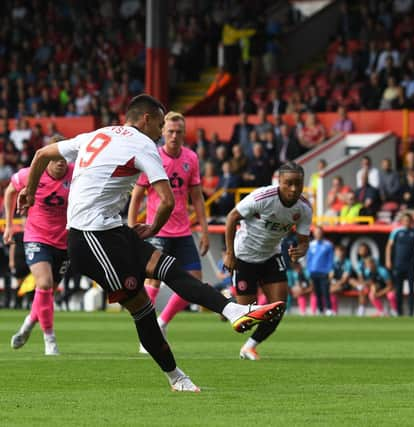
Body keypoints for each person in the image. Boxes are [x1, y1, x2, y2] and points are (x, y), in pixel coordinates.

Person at [19, 94, 284, 392]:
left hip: (112, 231)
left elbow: (42, 153)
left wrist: (29, 192)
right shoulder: (144, 145)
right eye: (160, 124)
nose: (160, 132)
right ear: (146, 120)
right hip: (89, 238)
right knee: (142, 308)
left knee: (170, 270)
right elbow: (167, 201)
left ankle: (233, 311)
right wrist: (154, 227)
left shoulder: (99, 133)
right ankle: (176, 377)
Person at [127, 111, 210, 353]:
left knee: (195, 280)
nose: (174, 136)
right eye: (170, 131)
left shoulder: (191, 158)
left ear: (184, 134)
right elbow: (137, 196)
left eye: (179, 132)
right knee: (153, 280)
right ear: (162, 132)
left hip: (183, 231)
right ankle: (148, 335)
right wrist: (132, 228)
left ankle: (161, 323)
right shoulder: (152, 156)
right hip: (158, 229)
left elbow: (197, 197)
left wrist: (204, 231)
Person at [223, 161, 312, 361]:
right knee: (245, 320)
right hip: (245, 255)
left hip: (272, 256)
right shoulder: (262, 197)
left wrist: (301, 250)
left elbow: (304, 241)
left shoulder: (304, 208)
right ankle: (226, 302)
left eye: (298, 183)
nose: (294, 188)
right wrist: (230, 254)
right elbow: (231, 217)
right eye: (289, 183)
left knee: (279, 306)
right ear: (279, 182)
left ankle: (249, 347)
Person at [4, 141, 73, 355]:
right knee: (44, 283)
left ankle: (27, 326)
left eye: (64, 158)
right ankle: (49, 340)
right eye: (56, 158)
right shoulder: (32, 173)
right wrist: (9, 225)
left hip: (64, 241)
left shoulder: (76, 174)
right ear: (47, 158)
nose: (61, 163)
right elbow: (10, 191)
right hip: (37, 237)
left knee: (47, 293)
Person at [385, 212, 414, 316]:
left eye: (409, 220)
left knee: (411, 289)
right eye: (405, 220)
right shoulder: (397, 232)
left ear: (411, 221)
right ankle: (399, 312)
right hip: (398, 263)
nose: (407, 222)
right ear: (402, 221)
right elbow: (389, 246)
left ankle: (411, 312)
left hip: (410, 264)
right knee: (398, 289)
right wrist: (388, 260)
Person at [305, 226, 334, 315]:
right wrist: (308, 270)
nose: (318, 234)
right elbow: (308, 259)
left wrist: (330, 270)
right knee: (317, 292)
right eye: (316, 232)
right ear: (314, 234)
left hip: (324, 272)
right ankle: (320, 309)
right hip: (313, 271)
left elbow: (330, 259)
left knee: (325, 291)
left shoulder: (328, 245)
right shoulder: (311, 245)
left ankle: (329, 309)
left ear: (322, 233)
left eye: (320, 232)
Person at [328, 244, 353, 314]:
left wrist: (336, 284)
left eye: (341, 252)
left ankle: (333, 311)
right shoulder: (332, 262)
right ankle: (331, 310)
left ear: (344, 252)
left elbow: (345, 279)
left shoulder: (348, 263)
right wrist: (332, 283)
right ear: (335, 253)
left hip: (345, 284)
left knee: (332, 290)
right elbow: (330, 276)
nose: (340, 254)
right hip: (334, 283)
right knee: (329, 289)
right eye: (338, 252)